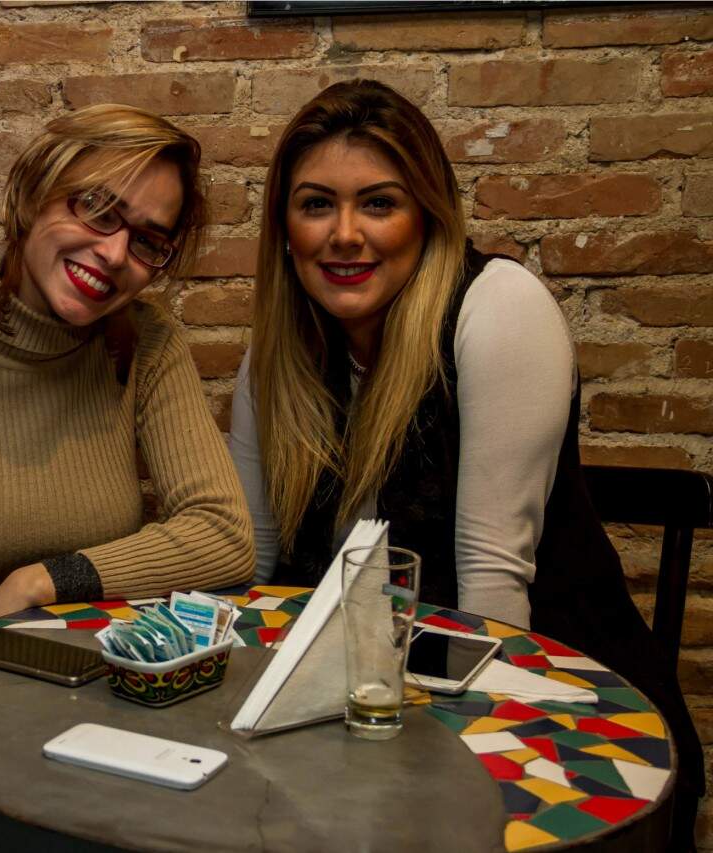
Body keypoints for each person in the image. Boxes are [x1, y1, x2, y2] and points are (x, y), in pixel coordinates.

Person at [229, 78, 702, 846]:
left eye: (378, 203)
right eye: (316, 204)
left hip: (546, 713)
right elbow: (254, 565)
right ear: (285, 227)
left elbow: (491, 595)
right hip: (359, 717)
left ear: (428, 216)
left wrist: (459, 795)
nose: (344, 234)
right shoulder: (277, 353)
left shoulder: (497, 306)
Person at [0, 105, 254, 643]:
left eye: (148, 241)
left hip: (96, 684)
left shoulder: (147, 346)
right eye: (98, 208)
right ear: (33, 194)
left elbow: (224, 534)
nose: (114, 252)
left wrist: (38, 583)